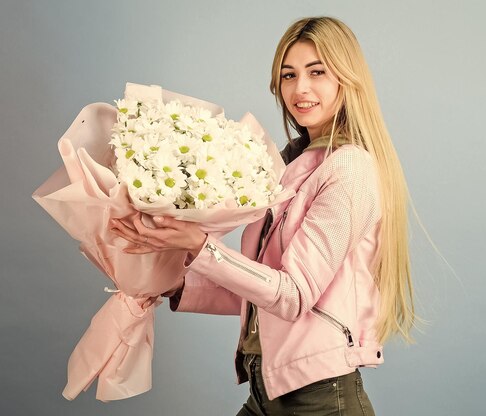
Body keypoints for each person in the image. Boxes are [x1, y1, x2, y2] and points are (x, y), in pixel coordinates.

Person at [110, 16, 416, 415]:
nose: (300, 88)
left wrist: (201, 247)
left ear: (347, 78)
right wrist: (170, 281)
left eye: (317, 72)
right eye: (288, 75)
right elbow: (257, 290)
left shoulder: (349, 168)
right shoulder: (288, 164)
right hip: (266, 393)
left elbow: (292, 296)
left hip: (321, 401)